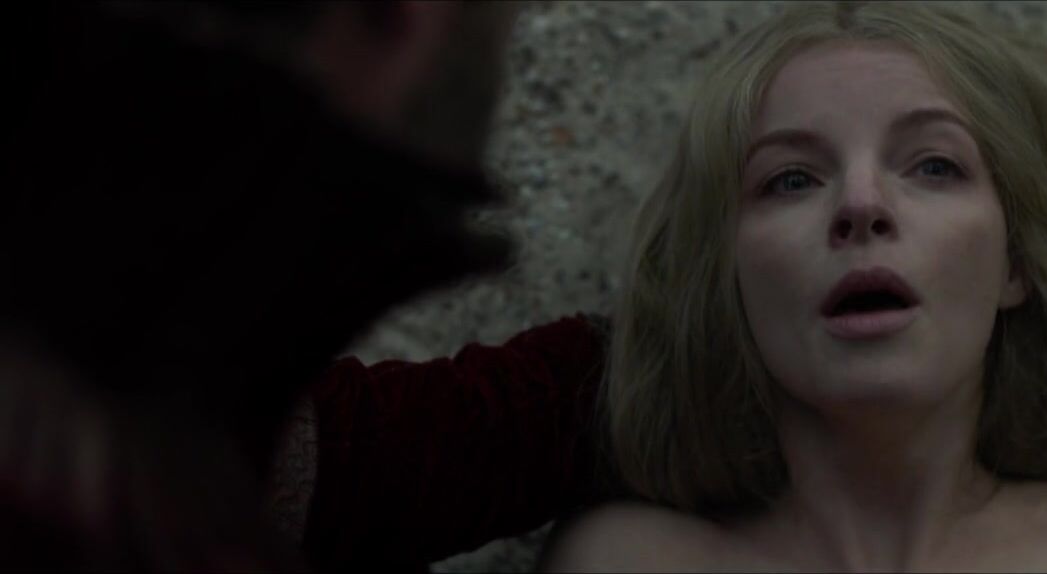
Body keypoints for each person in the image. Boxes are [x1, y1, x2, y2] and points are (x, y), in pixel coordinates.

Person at [537, 2, 1047, 572]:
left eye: (934, 165)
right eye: (790, 179)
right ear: (730, 275)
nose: (861, 204)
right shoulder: (624, 560)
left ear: (1015, 266)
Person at [0, 2, 613, 570]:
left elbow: (360, 465)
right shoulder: (99, 488)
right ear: (398, 18)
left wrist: (627, 378)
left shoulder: (136, 416)